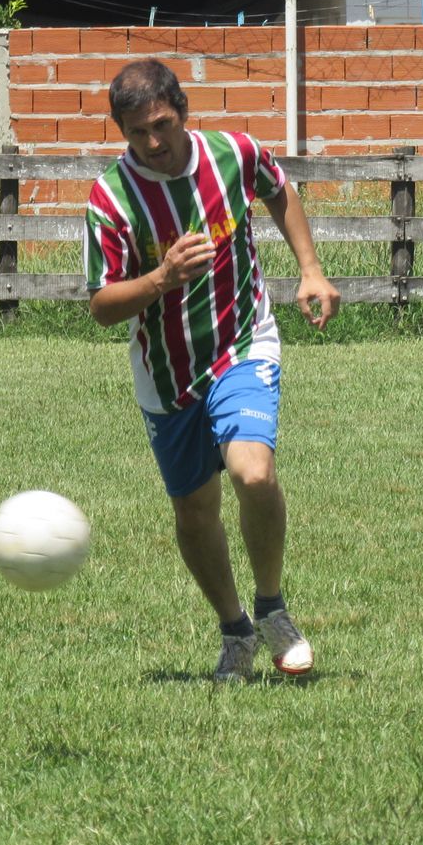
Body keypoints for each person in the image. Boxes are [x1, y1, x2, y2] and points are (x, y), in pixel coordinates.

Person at [84, 59, 341, 683]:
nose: (153, 142)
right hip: (166, 373)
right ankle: (235, 631)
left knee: (252, 473)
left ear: (183, 111)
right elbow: (100, 307)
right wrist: (161, 277)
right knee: (195, 512)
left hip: (242, 342)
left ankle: (273, 606)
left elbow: (278, 189)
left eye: (163, 125)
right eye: (137, 131)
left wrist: (310, 267)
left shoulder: (234, 153)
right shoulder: (112, 198)